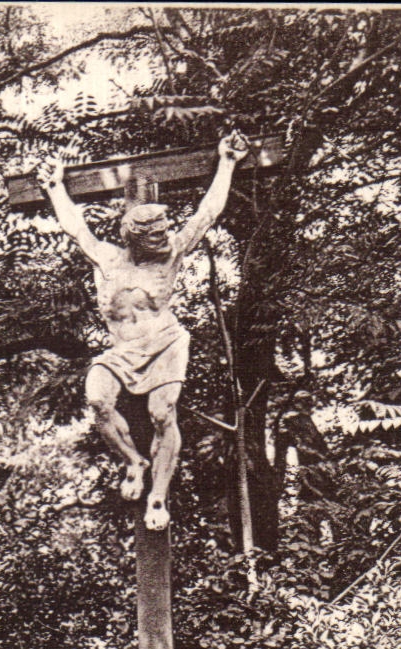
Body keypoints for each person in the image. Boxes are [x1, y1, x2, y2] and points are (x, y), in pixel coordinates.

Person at [44, 132, 249, 530]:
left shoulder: (171, 255)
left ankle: (158, 495)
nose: (164, 238)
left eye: (165, 232)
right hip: (121, 351)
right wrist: (54, 187)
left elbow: (207, 213)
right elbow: (76, 227)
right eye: (155, 236)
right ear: (134, 238)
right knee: (97, 400)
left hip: (166, 344)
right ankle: (134, 462)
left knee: (161, 413)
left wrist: (227, 162)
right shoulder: (107, 259)